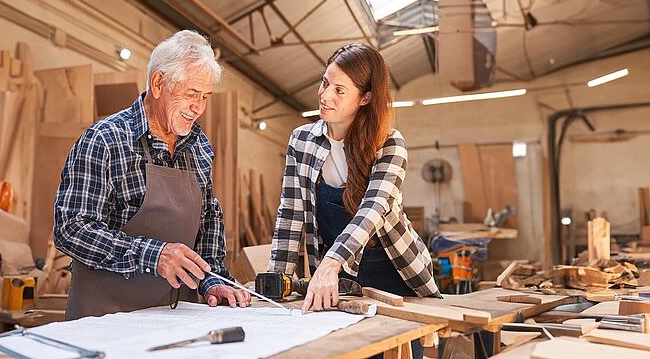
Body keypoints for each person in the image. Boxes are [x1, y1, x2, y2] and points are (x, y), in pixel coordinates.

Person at [54, 30, 250, 320]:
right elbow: (72, 228)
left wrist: (212, 278)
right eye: (191, 94)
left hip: (174, 317)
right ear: (158, 83)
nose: (198, 108)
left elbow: (208, 217)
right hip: (105, 320)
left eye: (205, 97)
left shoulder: (198, 146)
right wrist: (155, 256)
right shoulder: (105, 140)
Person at [267, 43, 441, 356]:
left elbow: (372, 210)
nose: (325, 96)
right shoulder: (301, 140)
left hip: (393, 270)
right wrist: (273, 285)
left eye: (339, 90)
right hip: (340, 277)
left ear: (365, 97)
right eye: (324, 83)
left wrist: (329, 264)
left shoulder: (389, 143)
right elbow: (291, 214)